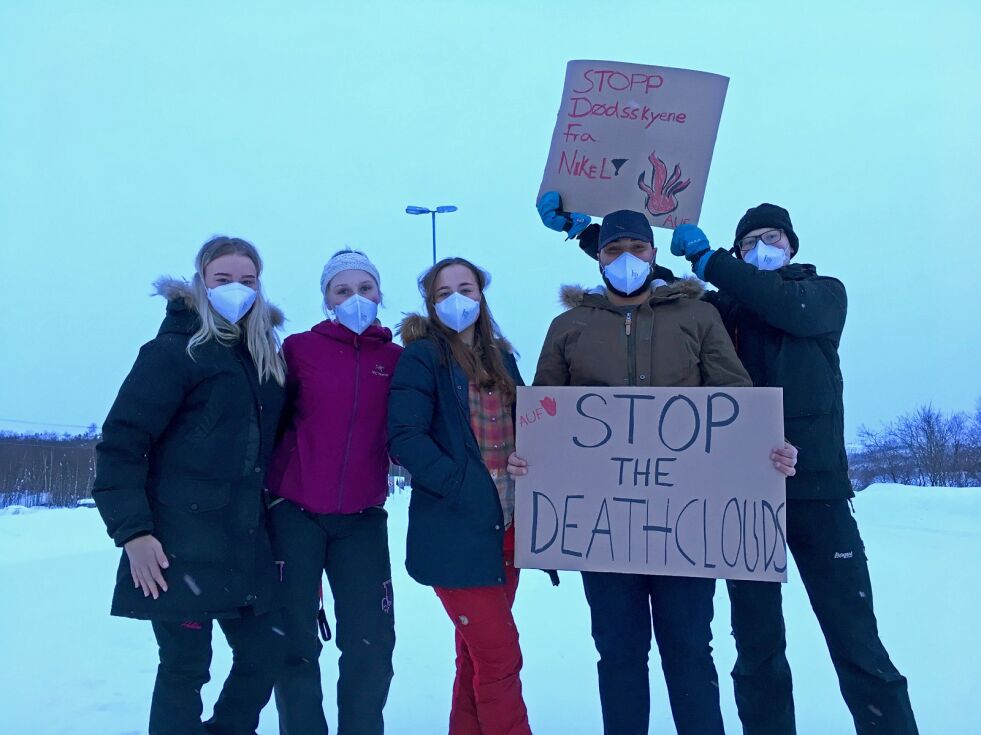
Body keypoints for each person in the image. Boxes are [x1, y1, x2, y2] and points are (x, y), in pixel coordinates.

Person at [525, 199, 799, 735]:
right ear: (599, 259)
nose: (626, 258)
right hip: (602, 527)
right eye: (614, 249)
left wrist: (767, 446)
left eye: (637, 248)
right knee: (619, 653)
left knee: (690, 651)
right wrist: (528, 457)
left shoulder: (698, 316)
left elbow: (735, 398)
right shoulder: (568, 325)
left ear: (653, 253)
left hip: (686, 526)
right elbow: (544, 413)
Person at [670, 205, 919, 735]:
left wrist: (709, 259)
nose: (764, 245)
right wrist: (593, 234)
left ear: (791, 246)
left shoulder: (823, 296)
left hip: (820, 495)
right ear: (738, 252)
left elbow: (784, 306)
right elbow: (663, 289)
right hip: (745, 498)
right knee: (757, 646)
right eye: (752, 240)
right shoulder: (724, 309)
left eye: (774, 236)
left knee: (856, 639)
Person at [92, 235, 288, 735]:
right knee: (184, 670)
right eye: (223, 279)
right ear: (201, 283)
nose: (236, 289)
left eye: (247, 280)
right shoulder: (172, 352)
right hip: (177, 547)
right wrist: (133, 533)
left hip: (245, 544)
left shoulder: (265, 359)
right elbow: (121, 444)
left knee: (264, 655)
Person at [387, 257, 555, 735]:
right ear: (431, 303)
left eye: (467, 288)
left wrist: (529, 456)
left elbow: (528, 426)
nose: (457, 300)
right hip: (455, 533)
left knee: (475, 655)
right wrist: (462, 482)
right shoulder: (422, 357)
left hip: (505, 531)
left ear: (482, 296)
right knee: (501, 656)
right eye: (444, 293)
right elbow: (405, 438)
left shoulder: (502, 357)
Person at [265, 249, 400, 735]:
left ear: (380, 294)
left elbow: (407, 435)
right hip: (294, 513)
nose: (355, 299)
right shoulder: (300, 349)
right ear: (326, 298)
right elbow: (268, 421)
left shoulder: (396, 360)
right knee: (294, 642)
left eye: (365, 288)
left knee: (372, 645)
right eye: (342, 290)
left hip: (361, 520)